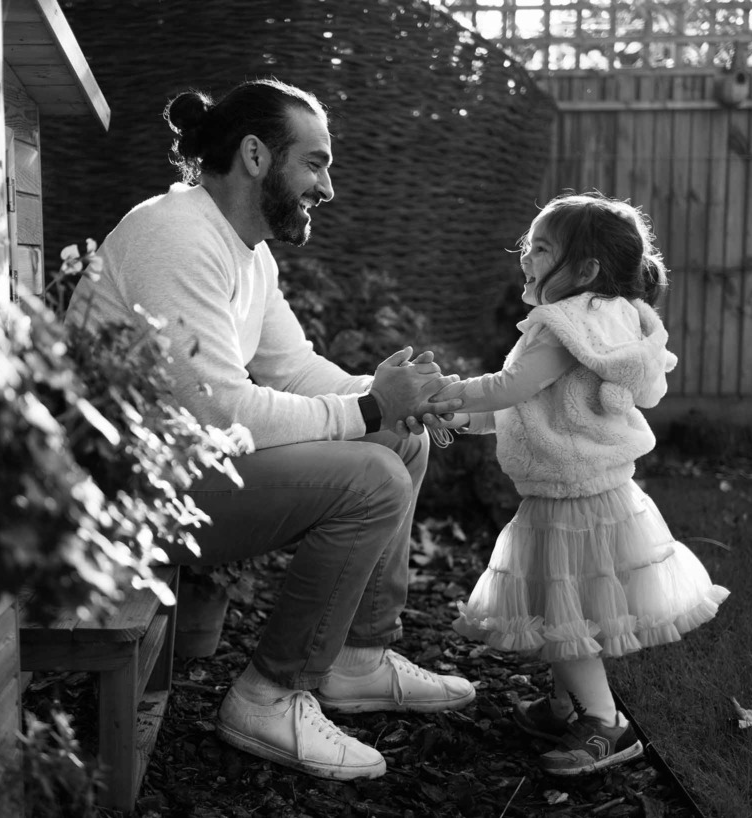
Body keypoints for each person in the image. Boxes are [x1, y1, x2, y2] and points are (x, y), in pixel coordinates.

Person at [64, 78, 473, 782]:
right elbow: (222, 412)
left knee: (399, 441)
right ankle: (269, 695)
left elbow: (296, 371)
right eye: (315, 163)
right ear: (256, 155)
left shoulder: (250, 254)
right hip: (124, 492)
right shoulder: (175, 233)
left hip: (184, 470)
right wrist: (371, 408)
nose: (329, 188)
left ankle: (358, 658)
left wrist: (399, 400)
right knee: (372, 474)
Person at [423, 192, 730, 776]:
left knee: (563, 611)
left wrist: (444, 395)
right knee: (561, 605)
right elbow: (531, 402)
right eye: (527, 246)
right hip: (596, 489)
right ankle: (566, 705)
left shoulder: (560, 323)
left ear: (585, 269)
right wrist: (462, 418)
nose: (526, 258)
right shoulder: (607, 317)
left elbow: (511, 388)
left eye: (540, 248)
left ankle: (604, 724)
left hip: (572, 498)